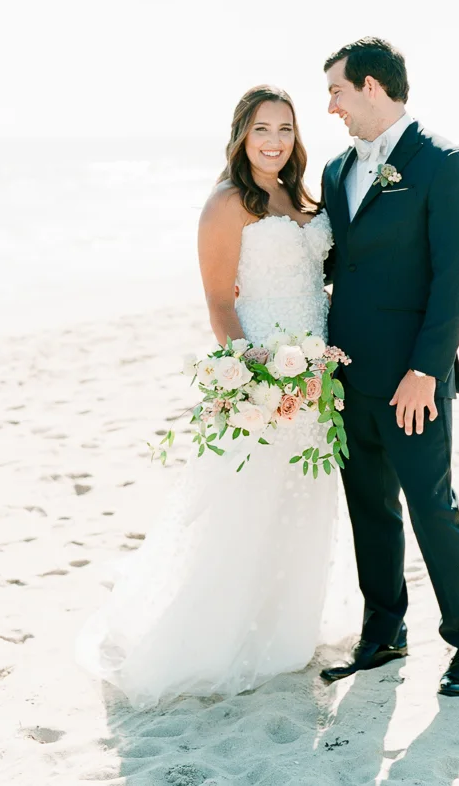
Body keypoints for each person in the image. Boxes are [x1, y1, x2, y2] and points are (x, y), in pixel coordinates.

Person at [75, 86, 342, 708]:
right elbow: (221, 304)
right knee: (247, 503)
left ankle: (286, 628)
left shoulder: (302, 198)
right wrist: (259, 373)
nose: (274, 141)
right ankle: (212, 636)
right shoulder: (226, 203)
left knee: (301, 500)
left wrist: (321, 365)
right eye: (261, 130)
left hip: (320, 371)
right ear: (240, 137)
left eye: (284, 129)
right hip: (269, 373)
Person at [319, 37, 459, 696]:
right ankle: (384, 631)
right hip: (345, 376)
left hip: (413, 381)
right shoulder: (336, 173)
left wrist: (426, 370)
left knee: (431, 509)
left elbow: (455, 279)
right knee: (371, 510)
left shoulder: (445, 166)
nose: (330, 106)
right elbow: (334, 267)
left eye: (336, 90)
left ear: (370, 86)